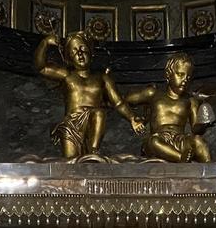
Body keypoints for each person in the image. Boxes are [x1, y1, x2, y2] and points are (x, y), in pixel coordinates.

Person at [34, 31, 144, 159]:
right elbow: (41, 67)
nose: (80, 54)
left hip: (94, 122)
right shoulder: (67, 75)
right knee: (70, 163)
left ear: (90, 52)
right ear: (69, 57)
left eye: (83, 49)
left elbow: (118, 102)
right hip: (71, 125)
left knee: (99, 112)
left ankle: (93, 151)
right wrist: (45, 43)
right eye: (74, 52)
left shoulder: (102, 78)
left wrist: (132, 118)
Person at [125, 52, 214, 163]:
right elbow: (124, 100)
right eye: (180, 74)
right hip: (159, 139)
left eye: (188, 77)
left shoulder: (190, 101)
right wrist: (133, 118)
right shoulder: (153, 93)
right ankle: (181, 158)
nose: (185, 80)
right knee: (153, 141)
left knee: (198, 141)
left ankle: (211, 169)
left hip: (180, 140)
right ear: (168, 74)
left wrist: (203, 124)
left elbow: (196, 129)